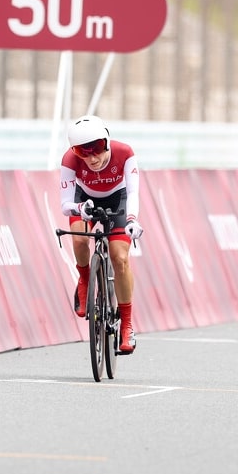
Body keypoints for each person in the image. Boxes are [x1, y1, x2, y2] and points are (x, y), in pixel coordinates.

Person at [60, 115, 143, 354]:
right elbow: (65, 203)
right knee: (78, 238)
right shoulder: (68, 160)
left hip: (119, 199)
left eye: (96, 149)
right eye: (82, 153)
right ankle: (85, 280)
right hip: (83, 200)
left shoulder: (125, 152)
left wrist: (131, 220)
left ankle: (126, 324)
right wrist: (78, 209)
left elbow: (134, 192)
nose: (92, 158)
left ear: (107, 141)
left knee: (120, 258)